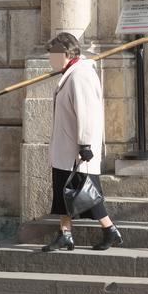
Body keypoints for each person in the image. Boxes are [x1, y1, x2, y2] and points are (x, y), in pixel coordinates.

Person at [42, 33, 123, 252]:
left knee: (87, 194)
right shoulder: (71, 73)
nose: (51, 59)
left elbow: (88, 112)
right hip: (66, 148)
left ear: (67, 54)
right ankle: (65, 234)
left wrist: (85, 144)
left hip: (75, 150)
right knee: (63, 192)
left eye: (54, 54)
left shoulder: (81, 75)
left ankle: (109, 229)